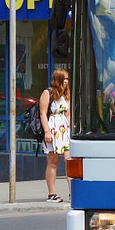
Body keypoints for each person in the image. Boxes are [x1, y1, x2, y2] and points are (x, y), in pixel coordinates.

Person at [40, 68, 71, 203]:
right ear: (57, 79)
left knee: (70, 162)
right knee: (53, 162)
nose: (66, 81)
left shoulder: (66, 94)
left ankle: (72, 192)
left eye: (67, 79)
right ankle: (51, 193)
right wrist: (47, 131)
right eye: (64, 79)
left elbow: (68, 114)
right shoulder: (48, 93)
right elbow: (42, 113)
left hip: (65, 131)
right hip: (52, 130)